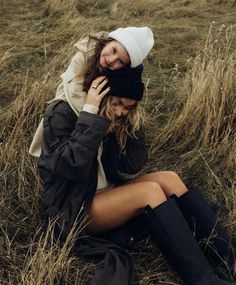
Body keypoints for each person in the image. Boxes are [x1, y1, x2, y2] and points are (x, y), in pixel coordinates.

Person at [35, 63, 235, 285]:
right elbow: (69, 166)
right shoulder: (62, 112)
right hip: (73, 205)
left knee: (169, 178)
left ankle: (227, 259)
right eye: (117, 103)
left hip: (106, 193)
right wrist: (91, 117)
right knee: (149, 192)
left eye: (128, 107)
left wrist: (130, 125)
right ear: (102, 96)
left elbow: (132, 166)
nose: (121, 110)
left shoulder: (117, 117)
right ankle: (203, 280)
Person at [29, 26, 154, 157]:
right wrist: (94, 116)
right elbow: (74, 92)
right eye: (113, 50)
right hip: (73, 99)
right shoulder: (83, 57)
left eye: (120, 61)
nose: (111, 60)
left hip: (98, 103)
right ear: (108, 41)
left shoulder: (122, 75)